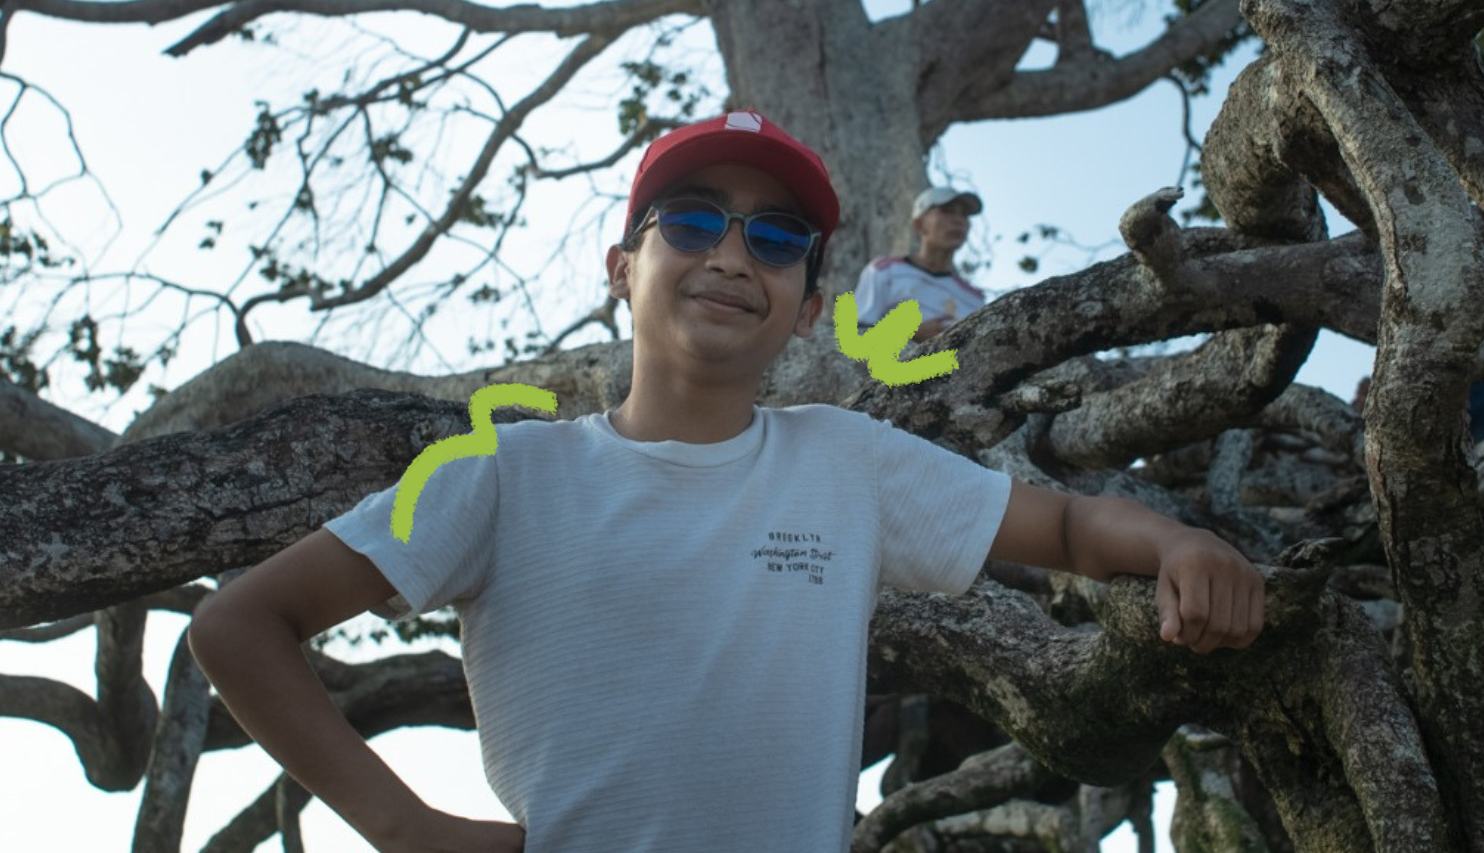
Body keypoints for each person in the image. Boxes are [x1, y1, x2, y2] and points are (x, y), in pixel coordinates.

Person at [187, 110, 1266, 853]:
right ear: (622, 270)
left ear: (806, 307)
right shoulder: (500, 473)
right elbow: (240, 625)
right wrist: (402, 824)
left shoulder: (848, 462)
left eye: (777, 236)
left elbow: (1073, 526)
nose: (732, 253)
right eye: (694, 219)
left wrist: (1180, 545)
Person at [854, 185, 987, 342]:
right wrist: (909, 333)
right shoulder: (885, 271)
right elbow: (855, 337)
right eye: (946, 211)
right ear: (919, 225)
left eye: (964, 215)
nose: (958, 221)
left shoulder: (974, 299)